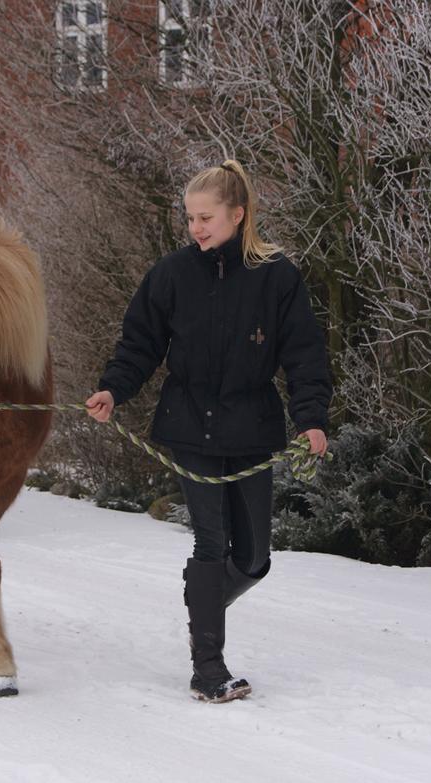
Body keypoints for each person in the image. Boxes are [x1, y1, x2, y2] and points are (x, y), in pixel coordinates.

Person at [86, 160, 332, 703]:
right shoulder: (172, 274)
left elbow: (305, 354)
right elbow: (139, 344)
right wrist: (113, 389)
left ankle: (203, 603)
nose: (196, 228)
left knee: (253, 558)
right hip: (189, 425)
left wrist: (311, 418)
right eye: (190, 218)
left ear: (237, 215)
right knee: (209, 542)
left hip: (253, 426)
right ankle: (208, 668)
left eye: (206, 217)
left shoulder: (277, 276)